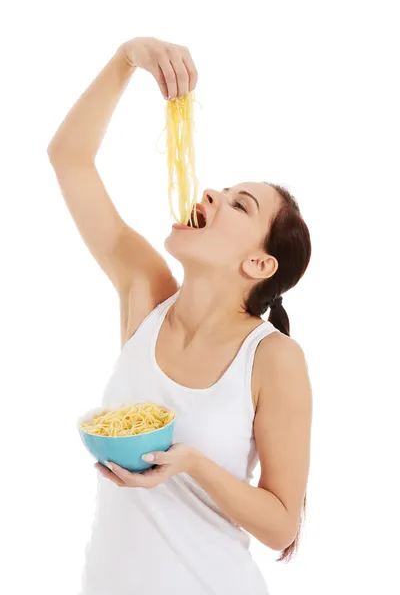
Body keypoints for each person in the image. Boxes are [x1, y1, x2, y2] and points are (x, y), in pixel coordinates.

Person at [47, 36, 313, 595]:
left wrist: (190, 464)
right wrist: (128, 57)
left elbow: (282, 524)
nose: (211, 192)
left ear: (258, 262)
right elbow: (68, 156)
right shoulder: (144, 292)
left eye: (240, 204)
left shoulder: (272, 359)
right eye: (222, 189)